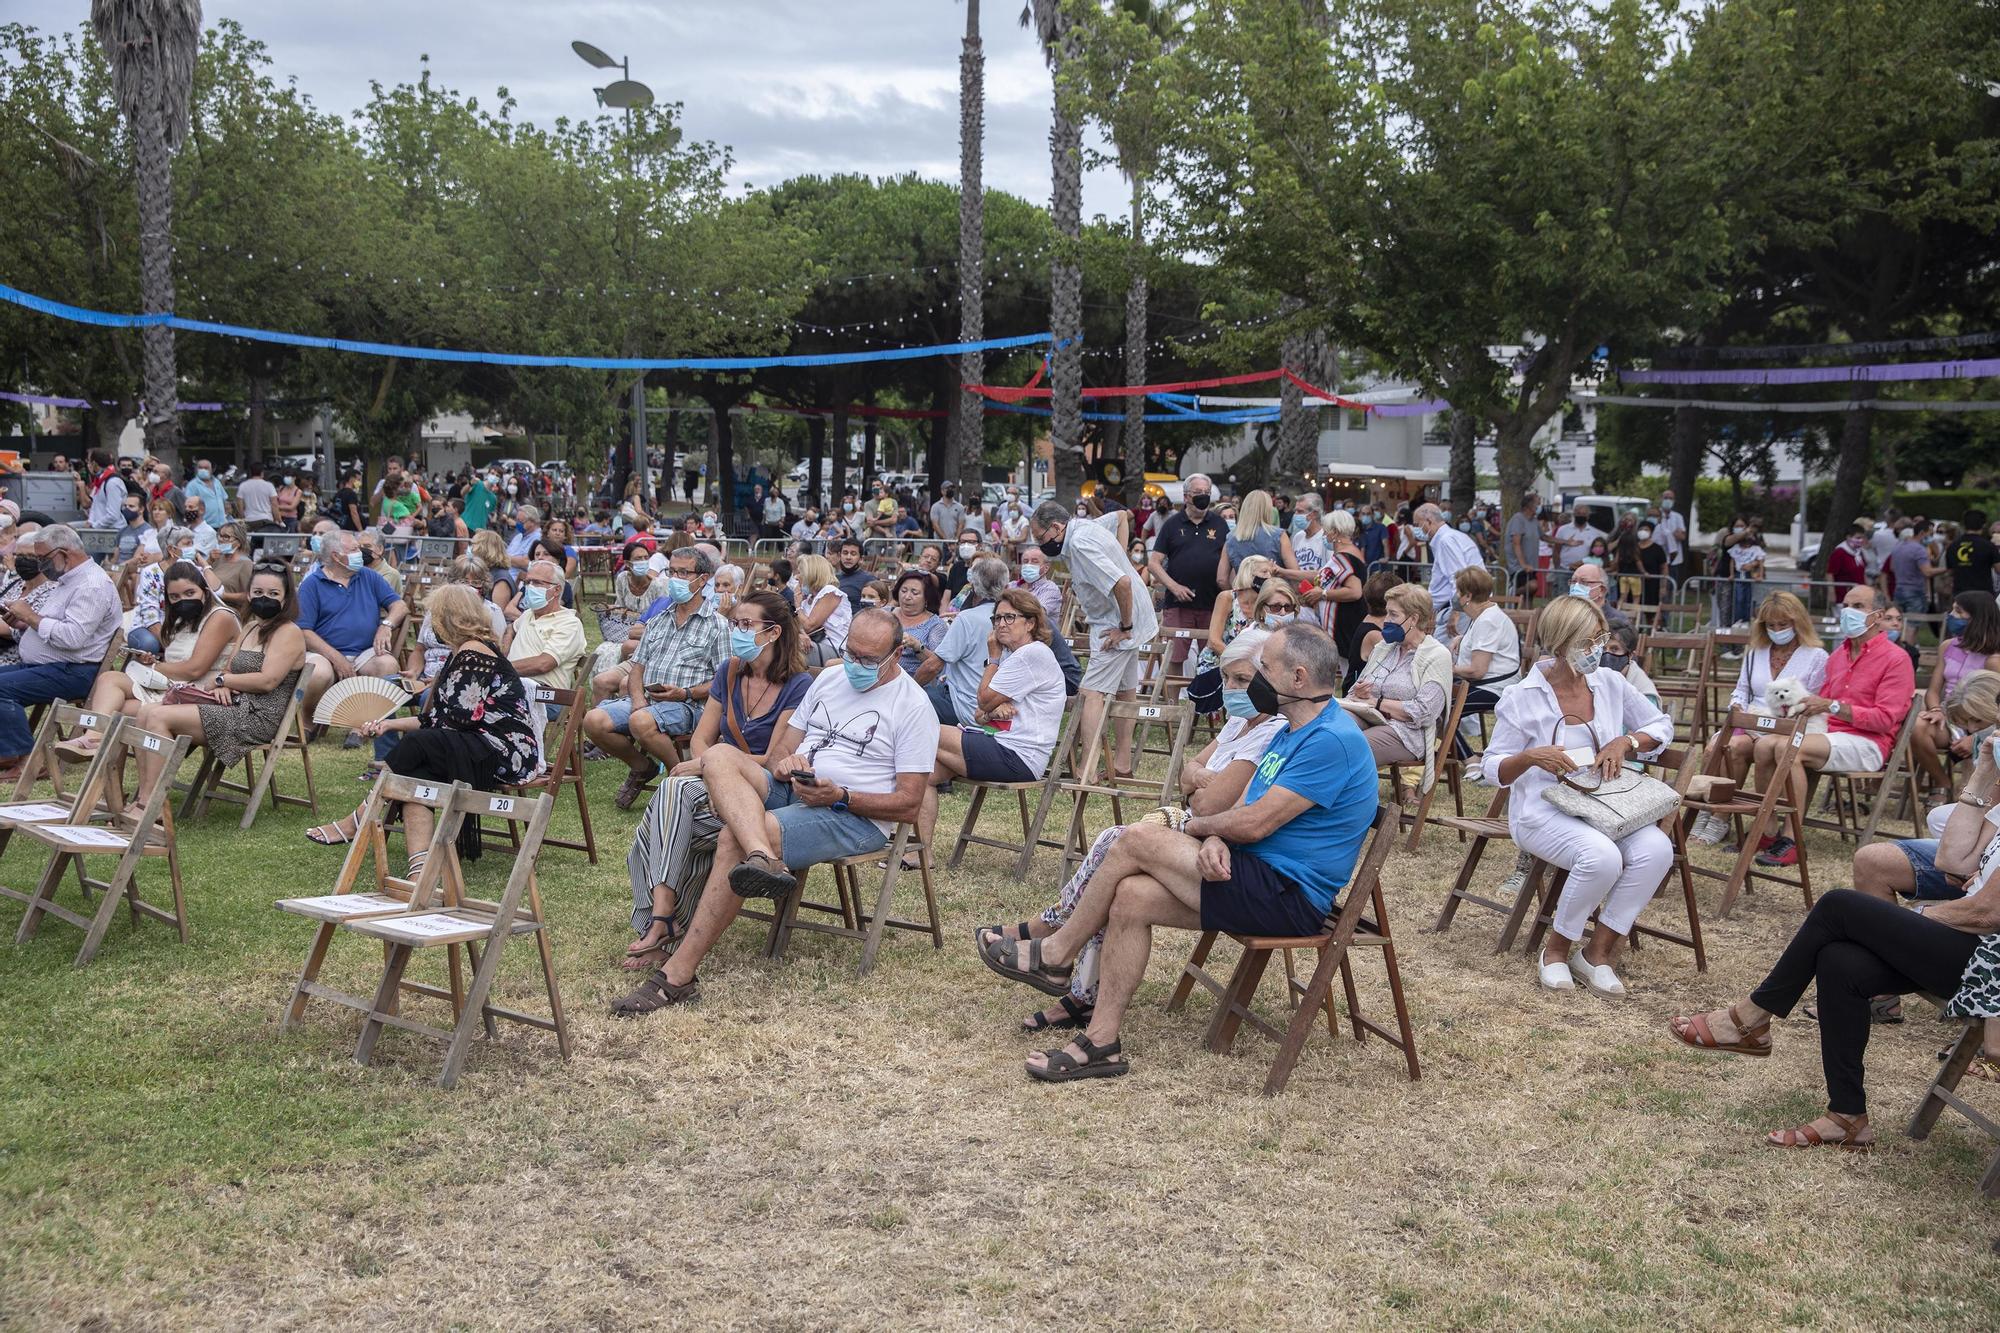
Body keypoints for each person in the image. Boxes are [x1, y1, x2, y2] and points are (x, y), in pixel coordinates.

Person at [980, 622, 1377, 1081]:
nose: (1259, 678)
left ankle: (1056, 953)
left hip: (1288, 897)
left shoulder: (1330, 739)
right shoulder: (1293, 730)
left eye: (1264, 669)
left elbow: (1255, 822)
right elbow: (1246, 808)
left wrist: (1200, 826)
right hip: (1253, 874)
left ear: (1299, 678)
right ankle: (1102, 1041)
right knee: (1130, 894)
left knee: (1136, 839)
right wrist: (1212, 838)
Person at [1668, 737, 2000, 1149]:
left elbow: (1988, 913)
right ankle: (1847, 1117)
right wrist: (1985, 771)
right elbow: (1953, 862)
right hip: (1974, 952)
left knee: (1839, 906)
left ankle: (1751, 1017)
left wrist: (1911, 919)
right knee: (1840, 960)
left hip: (1989, 968)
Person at [610, 609, 939, 1014]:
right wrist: (786, 763)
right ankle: (762, 858)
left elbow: (909, 803)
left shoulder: (913, 706)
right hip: (796, 788)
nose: (856, 665)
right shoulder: (832, 680)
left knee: (732, 836)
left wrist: (841, 795)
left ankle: (677, 975)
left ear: (896, 653)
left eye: (869, 660)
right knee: (718, 755)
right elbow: (783, 750)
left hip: (853, 815)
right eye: (850, 653)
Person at [980, 628, 1288, 1031]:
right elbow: (1185, 776)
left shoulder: (1270, 728)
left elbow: (1211, 802)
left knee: (1115, 842)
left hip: (1219, 841)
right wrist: (1203, 776)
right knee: (1118, 872)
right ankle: (1080, 994)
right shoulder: (1240, 722)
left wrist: (1202, 780)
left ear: (1267, 680)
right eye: (1228, 678)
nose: (1231, 687)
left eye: (1242, 680)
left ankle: (1052, 932)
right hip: (1203, 828)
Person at [1482, 596, 1675, 993]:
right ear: (1561, 642)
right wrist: (1531, 757)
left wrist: (1625, 741)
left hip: (1605, 804)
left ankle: (1596, 954)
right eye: (1588, 641)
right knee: (1600, 857)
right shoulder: (1523, 695)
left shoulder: (1609, 683)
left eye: (1600, 638)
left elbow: (1660, 725)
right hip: (1542, 810)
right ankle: (1555, 951)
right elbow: (1492, 768)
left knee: (1657, 849)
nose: (1598, 648)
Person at [621, 591, 815, 966]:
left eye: (746, 625)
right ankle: (665, 918)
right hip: (717, 777)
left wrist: (712, 766)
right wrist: (710, 768)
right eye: (735, 624)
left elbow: (774, 760)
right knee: (676, 794)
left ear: (773, 633)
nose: (737, 631)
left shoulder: (798, 685)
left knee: (670, 803)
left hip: (758, 786)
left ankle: (661, 921)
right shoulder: (729, 670)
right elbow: (700, 738)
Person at [306, 585, 539, 871]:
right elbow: (442, 718)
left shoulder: (474, 652)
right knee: (414, 775)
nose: (431, 625)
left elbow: (457, 721)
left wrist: (399, 727)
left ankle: (360, 818)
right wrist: (388, 724)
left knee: (417, 745)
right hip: (473, 743)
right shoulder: (460, 653)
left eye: (434, 616)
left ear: (448, 618)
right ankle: (420, 869)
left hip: (502, 752)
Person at [1745, 585, 1915, 869]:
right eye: (1846, 604)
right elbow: (1820, 704)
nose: (1848, 612)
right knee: (1764, 745)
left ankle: (1792, 839)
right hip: (1827, 733)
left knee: (1790, 748)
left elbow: (1885, 719)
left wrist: (1832, 706)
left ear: (1878, 614)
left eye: (1858, 606)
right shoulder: (1838, 656)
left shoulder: (1896, 658)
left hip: (1867, 742)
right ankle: (1768, 829)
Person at [130, 558, 305, 790]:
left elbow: (267, 681)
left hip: (257, 717)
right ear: (249, 596)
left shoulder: (288, 632)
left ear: (286, 598)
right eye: (258, 591)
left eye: (273, 593)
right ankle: (146, 794)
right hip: (230, 704)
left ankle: (149, 804)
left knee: (158, 717)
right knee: (146, 712)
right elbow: (228, 668)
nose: (265, 598)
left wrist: (224, 680)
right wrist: (223, 683)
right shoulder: (251, 627)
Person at [917, 588, 1066, 854]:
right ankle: (918, 853)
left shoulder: (1033, 654)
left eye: (1010, 618)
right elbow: (980, 713)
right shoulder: (1015, 657)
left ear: (1030, 623)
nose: (1000, 625)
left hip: (1019, 755)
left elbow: (983, 700)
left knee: (923, 729)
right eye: (997, 619)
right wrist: (992, 710)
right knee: (923, 775)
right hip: (996, 742)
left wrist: (992, 658)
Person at [584, 545, 727, 808]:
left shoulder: (717, 625)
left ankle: (684, 779)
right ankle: (642, 766)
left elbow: (723, 681)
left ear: (703, 579)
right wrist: (638, 700)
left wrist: (685, 693)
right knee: (593, 720)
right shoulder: (660, 619)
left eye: (684, 573)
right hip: (648, 703)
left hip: (689, 706)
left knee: (640, 721)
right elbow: (637, 667)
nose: (675, 578)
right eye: (672, 571)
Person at [59, 563, 240, 761]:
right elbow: (180, 661)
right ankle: (94, 738)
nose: (183, 601)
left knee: (118, 713)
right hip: (175, 687)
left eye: (190, 593)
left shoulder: (220, 616)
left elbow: (194, 669)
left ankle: (96, 744)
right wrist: (152, 661)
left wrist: (154, 666)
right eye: (175, 597)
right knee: (109, 679)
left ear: (204, 590)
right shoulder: (181, 621)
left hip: (201, 693)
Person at [1031, 500, 1156, 779]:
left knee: (1090, 694)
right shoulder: (1085, 526)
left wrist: (1124, 627)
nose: (1040, 545)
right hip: (1128, 615)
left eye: (1041, 538)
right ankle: (1122, 765)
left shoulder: (1080, 545)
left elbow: (1122, 583)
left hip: (1117, 623)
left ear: (1056, 527)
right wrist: (1120, 554)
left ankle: (1086, 768)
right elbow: (1123, 516)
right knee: (1125, 691)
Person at [0, 526, 123, 776]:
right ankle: (16, 753)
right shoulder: (69, 580)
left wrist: (32, 617)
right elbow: (55, 625)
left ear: (64, 553)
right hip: (52, 666)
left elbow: (72, 637)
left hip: (75, 671)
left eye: (43, 558)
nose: (40, 565)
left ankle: (24, 759)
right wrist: (24, 624)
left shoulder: (91, 585)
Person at [1348, 583, 1454, 792]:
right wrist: (1360, 693)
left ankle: (1343, 805)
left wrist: (1376, 702)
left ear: (1413, 619)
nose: (1386, 620)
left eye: (1393, 614)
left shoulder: (1436, 655)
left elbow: (1424, 712)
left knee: (1350, 746)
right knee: (1329, 732)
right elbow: (1353, 694)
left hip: (1407, 733)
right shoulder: (1384, 648)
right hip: (1371, 718)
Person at [295, 530, 408, 710]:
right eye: (355, 549)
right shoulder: (312, 584)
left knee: (387, 664)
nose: (360, 554)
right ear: (336, 556)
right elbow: (304, 631)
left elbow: (399, 605)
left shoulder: (368, 576)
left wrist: (386, 625)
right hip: (324, 653)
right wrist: (337, 658)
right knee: (318, 673)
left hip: (365, 652)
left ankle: (363, 723)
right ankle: (309, 722)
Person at [1914, 592, 2000, 796]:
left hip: (1980, 722)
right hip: (1949, 716)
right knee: (1917, 726)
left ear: (1977, 618)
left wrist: (1977, 737)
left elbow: (1994, 708)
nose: (1951, 615)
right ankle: (1942, 784)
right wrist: (1936, 709)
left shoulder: (1994, 658)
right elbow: (1934, 690)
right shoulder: (1948, 646)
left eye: (1958, 611)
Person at [1148, 473, 1227, 671]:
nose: (1203, 496)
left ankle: (1205, 701)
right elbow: (1154, 563)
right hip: (1178, 603)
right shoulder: (1172, 525)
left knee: (1211, 658)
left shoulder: (1220, 524)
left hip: (1212, 603)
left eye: (1206, 493)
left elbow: (1229, 561)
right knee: (1175, 657)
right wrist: (1174, 587)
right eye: (1198, 492)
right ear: (1186, 497)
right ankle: (1174, 700)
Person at [920, 557, 1010, 725]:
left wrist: (909, 687)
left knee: (910, 701)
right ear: (1005, 586)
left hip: (965, 706)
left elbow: (933, 666)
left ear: (974, 587)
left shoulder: (967, 618)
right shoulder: (1013, 617)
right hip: (997, 705)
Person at [1449, 566, 1521, 727]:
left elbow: (1477, 670)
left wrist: (1448, 668)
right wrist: (1462, 638)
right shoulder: (1483, 616)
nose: (1455, 596)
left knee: (1443, 712)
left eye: (1458, 591)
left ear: (1468, 595)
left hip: (1495, 689)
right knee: (1435, 704)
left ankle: (1463, 753)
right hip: (1485, 685)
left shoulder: (1487, 620)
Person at [1411, 502, 1482, 618]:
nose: (1415, 529)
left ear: (1429, 521)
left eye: (1417, 524)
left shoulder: (1446, 541)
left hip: (1456, 608)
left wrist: (1456, 612)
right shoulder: (1451, 537)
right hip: (1460, 605)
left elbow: (1458, 577)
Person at [1220, 489, 1297, 591]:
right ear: (1267, 509)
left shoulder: (1231, 537)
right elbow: (1294, 573)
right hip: (1273, 598)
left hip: (1244, 599)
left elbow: (1221, 579)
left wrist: (1237, 596)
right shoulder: (1278, 535)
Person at [0, 530, 56, 669]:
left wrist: (9, 627)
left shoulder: (53, 591)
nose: (23, 560)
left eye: (30, 556)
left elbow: (26, 631)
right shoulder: (14, 583)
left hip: (14, 661)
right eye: (19, 555)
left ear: (44, 559)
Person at [887, 569, 948, 681]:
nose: (907, 597)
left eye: (915, 593)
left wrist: (917, 646)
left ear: (927, 598)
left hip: (912, 683)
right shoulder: (885, 613)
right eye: (904, 591)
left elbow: (937, 665)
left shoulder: (935, 625)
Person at [1947, 509, 1998, 600]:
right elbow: (1998, 569)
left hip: (1960, 595)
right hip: (1983, 595)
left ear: (1964, 525)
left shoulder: (1953, 546)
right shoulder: (1989, 546)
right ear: (1983, 525)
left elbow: (1950, 571)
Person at [1504, 492, 1541, 597]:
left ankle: (1527, 612)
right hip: (1518, 566)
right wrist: (1523, 564)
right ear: (1529, 505)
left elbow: (1544, 537)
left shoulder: (1534, 521)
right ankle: (1512, 594)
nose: (1539, 506)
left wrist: (1566, 542)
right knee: (1532, 586)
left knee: (1529, 596)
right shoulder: (1518, 519)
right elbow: (1516, 543)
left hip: (1532, 565)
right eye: (1537, 503)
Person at [1552, 503, 1603, 576]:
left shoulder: (1595, 533)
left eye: (1584, 513)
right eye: (1579, 513)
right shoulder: (1563, 530)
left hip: (1586, 573)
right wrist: (1557, 569)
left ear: (1588, 516)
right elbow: (1556, 550)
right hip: (1565, 571)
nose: (1581, 516)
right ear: (1574, 514)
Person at [84, 448, 128, 530]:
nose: (88, 465)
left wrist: (94, 526)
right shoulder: (99, 481)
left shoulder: (112, 483)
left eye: (88, 461)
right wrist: (90, 521)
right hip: (98, 526)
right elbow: (95, 505)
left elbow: (113, 515)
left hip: (112, 529)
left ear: (94, 463)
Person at [1015, 552, 1061, 624]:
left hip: (1039, 633)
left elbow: (1037, 613)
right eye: (1025, 562)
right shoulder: (1012, 585)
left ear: (1046, 568)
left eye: (1034, 562)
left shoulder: (1050, 588)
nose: (1029, 565)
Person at [236, 461, 278, 534]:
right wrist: (278, 519)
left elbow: (239, 504)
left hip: (249, 520)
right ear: (262, 472)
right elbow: (274, 504)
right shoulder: (269, 486)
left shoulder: (243, 485)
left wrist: (242, 516)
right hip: (265, 520)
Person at [833, 539, 872, 611]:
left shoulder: (869, 580)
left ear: (861, 559)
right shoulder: (832, 578)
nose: (848, 557)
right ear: (839, 556)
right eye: (845, 553)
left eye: (853, 554)